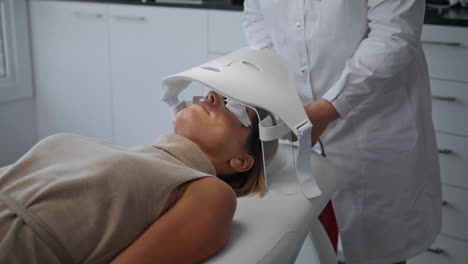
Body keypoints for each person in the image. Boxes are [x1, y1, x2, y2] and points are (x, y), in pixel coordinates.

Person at [243, 1, 442, 264]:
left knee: (378, 249)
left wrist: (326, 109)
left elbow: (393, 34)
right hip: (296, 115)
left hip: (374, 119)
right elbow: (256, 18)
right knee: (310, 241)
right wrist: (281, 85)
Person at [0, 91, 275, 263]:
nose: (212, 95)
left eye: (234, 107)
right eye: (217, 93)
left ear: (241, 161)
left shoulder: (209, 194)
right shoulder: (127, 155)